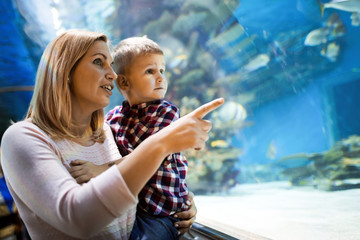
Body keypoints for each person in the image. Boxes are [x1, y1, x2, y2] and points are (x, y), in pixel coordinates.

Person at [0, 29, 224, 240]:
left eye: (112, 65)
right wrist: (161, 143)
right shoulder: (22, 138)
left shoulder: (106, 131)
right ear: (64, 71)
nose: (113, 74)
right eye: (99, 62)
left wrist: (181, 202)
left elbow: (133, 182)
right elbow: (77, 218)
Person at [69, 36, 189, 239]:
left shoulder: (167, 113)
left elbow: (149, 156)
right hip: (130, 206)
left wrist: (100, 170)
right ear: (123, 81)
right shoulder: (113, 117)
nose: (160, 77)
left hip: (160, 211)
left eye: (162, 70)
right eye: (150, 71)